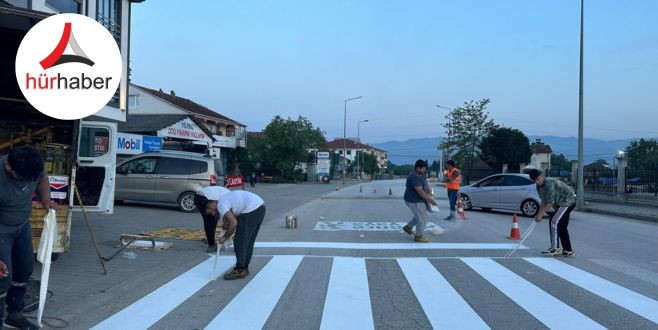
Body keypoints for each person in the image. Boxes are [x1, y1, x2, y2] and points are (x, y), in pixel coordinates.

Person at [1, 145, 56, 330]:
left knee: (24, 269)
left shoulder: (32, 165)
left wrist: (46, 199)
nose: (26, 183)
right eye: (22, 178)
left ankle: (14, 315)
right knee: (2, 276)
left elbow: (42, 179)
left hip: (22, 225)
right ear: (9, 166)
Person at [204, 190, 266, 280]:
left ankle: (240, 269)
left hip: (251, 209)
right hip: (259, 207)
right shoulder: (223, 201)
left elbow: (234, 223)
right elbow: (232, 217)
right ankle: (244, 267)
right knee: (248, 240)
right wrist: (226, 225)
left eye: (210, 212)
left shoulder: (220, 205)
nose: (213, 214)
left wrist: (225, 237)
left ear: (212, 205)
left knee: (240, 240)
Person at [528, 169, 576, 257]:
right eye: (534, 181)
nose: (537, 182)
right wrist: (538, 213)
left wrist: (540, 215)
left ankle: (555, 248)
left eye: (538, 179)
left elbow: (549, 203)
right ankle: (568, 250)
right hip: (560, 203)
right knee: (561, 226)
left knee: (554, 221)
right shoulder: (538, 186)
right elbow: (543, 201)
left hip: (567, 202)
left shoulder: (549, 183)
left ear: (541, 176)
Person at [402, 160, 437, 243]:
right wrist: (430, 199)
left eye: (425, 168)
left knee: (420, 215)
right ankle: (418, 236)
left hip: (419, 199)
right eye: (423, 168)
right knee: (422, 218)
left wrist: (429, 192)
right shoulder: (414, 176)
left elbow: (425, 184)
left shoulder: (421, 174)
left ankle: (408, 227)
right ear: (418, 167)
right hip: (413, 200)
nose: (424, 170)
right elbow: (419, 191)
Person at [194, 186, 231, 252]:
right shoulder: (228, 198)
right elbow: (217, 207)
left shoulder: (229, 195)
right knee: (210, 221)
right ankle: (211, 245)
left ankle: (210, 240)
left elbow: (224, 212)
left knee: (210, 220)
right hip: (203, 198)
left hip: (200, 196)